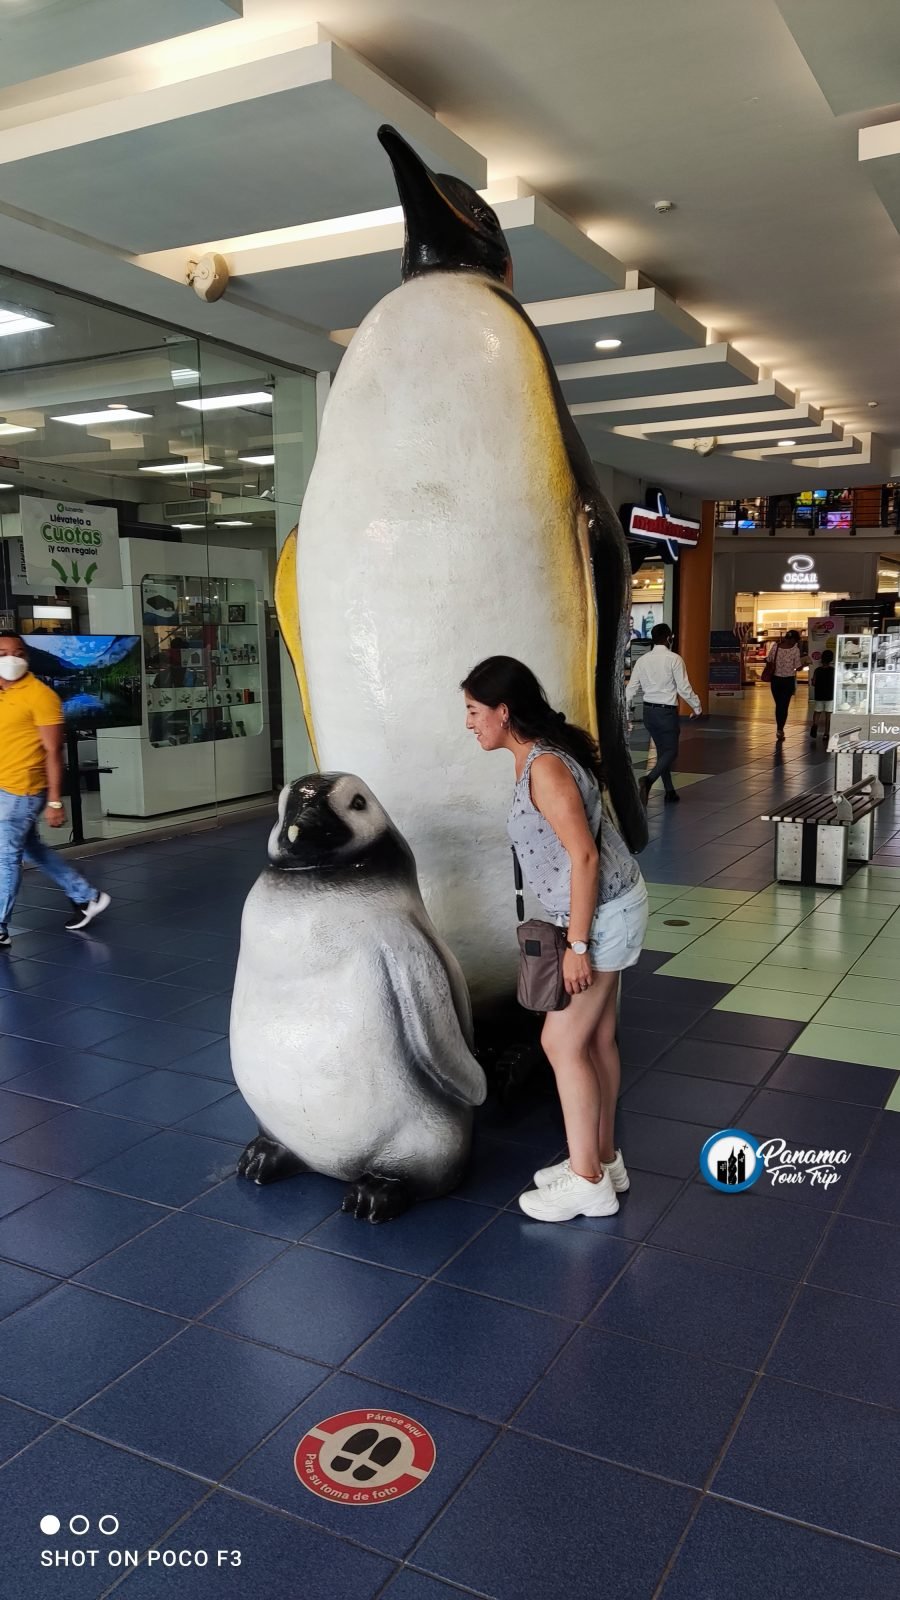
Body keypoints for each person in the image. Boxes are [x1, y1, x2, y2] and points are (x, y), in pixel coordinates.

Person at [462, 655, 648, 1223]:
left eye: (473, 711)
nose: (469, 724)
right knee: (597, 1041)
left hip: (602, 916)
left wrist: (578, 945)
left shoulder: (545, 767)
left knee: (560, 1045)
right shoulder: (539, 758)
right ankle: (604, 1159)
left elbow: (584, 856)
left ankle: (588, 1180)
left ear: (503, 710)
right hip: (612, 906)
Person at [0, 632, 110, 948]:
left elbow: (53, 751)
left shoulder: (40, 695)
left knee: (5, 857)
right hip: (3, 787)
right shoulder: (3, 692)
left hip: (22, 790)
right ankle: (87, 897)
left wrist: (55, 801)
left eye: (18, 652)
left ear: (28, 657)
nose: (11, 659)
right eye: (3, 652)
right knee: (30, 847)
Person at [625, 623, 701, 805]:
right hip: (666, 712)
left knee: (662, 751)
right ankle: (648, 780)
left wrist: (626, 709)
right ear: (669, 638)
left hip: (648, 712)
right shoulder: (674, 659)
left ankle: (670, 791)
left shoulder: (643, 660)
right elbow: (683, 688)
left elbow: (632, 687)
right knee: (671, 751)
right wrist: (696, 706)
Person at [766, 629, 804, 741]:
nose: (795, 642)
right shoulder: (795, 650)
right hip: (788, 681)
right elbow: (798, 667)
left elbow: (768, 660)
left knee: (779, 705)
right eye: (796, 640)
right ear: (792, 639)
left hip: (775, 680)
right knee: (784, 705)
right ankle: (780, 729)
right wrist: (805, 663)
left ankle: (779, 729)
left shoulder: (775, 647)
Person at [809, 648, 835, 742]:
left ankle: (815, 724)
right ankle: (826, 733)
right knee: (828, 714)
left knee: (817, 711)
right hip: (830, 695)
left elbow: (814, 682)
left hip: (819, 694)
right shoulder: (833, 670)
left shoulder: (817, 670)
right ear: (831, 659)